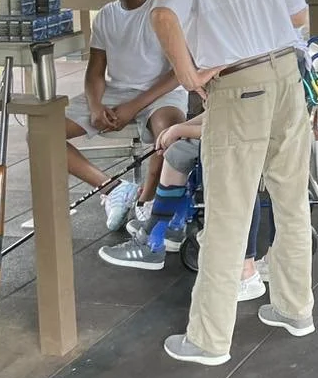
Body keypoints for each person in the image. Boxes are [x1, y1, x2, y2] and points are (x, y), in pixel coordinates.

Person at [150, 0, 315, 366]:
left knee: (228, 213)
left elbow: (164, 17)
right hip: (288, 71)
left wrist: (189, 75)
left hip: (239, 81)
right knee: (291, 199)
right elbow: (297, 13)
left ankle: (209, 338)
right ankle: (294, 307)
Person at [63, 0, 187, 232]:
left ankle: (148, 200)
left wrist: (134, 106)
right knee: (44, 134)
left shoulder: (161, 11)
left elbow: (178, 72)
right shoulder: (106, 15)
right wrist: (95, 106)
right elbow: (95, 70)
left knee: (170, 133)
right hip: (117, 90)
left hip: (161, 91)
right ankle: (114, 188)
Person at [96, 115, 266, 303]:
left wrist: (179, 130)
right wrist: (180, 128)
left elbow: (232, 122)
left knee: (184, 151)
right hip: (235, 131)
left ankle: (245, 271)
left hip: (243, 137)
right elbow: (217, 108)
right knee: (180, 150)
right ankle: (164, 230)